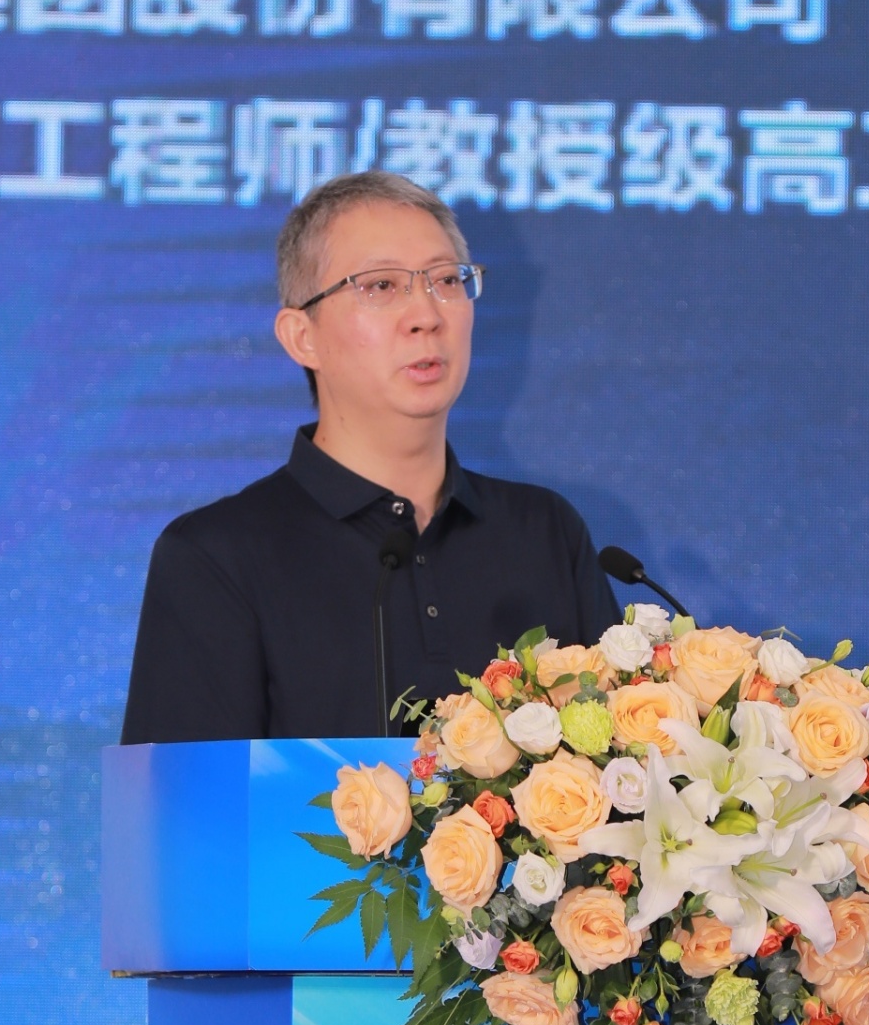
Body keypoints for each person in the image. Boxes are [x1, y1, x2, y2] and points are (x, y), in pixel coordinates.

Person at [119, 172, 620, 743]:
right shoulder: (216, 558)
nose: (426, 314)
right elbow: (183, 795)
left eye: (446, 281)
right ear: (301, 336)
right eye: (381, 286)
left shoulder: (545, 533)